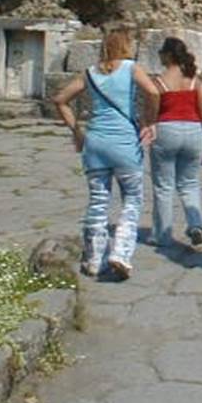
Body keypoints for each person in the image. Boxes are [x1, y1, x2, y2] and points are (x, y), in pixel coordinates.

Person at [52, 28, 159, 280]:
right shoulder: (131, 68)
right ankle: (120, 253)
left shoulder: (90, 73)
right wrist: (148, 121)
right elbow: (153, 92)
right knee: (132, 199)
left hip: (95, 142)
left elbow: (60, 100)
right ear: (126, 46)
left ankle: (93, 259)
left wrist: (76, 130)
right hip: (124, 144)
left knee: (98, 201)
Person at [150, 37, 202, 249]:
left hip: (167, 129)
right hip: (193, 130)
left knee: (164, 186)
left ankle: (163, 235)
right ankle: (196, 224)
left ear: (167, 55)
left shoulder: (159, 81)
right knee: (190, 183)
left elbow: (152, 111)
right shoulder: (194, 81)